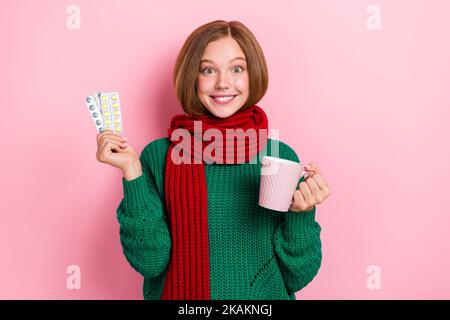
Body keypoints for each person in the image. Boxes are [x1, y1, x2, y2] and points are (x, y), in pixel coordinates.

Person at [96, 20, 331, 300]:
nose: (223, 83)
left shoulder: (279, 157)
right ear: (191, 78)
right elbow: (150, 261)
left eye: (236, 69)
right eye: (208, 70)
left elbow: (297, 275)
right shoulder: (158, 157)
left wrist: (301, 214)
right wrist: (132, 173)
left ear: (252, 75)